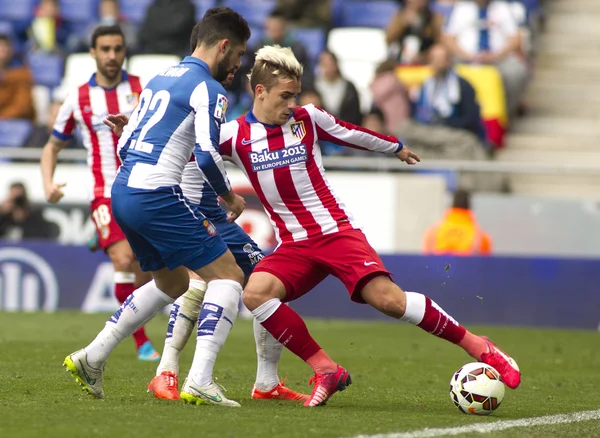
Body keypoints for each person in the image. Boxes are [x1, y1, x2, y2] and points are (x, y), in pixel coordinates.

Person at [223, 45, 521, 407]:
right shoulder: (234, 136)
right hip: (294, 245)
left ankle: (478, 345)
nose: (291, 104)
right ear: (260, 91)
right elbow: (192, 153)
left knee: (389, 302)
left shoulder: (308, 119)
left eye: (295, 95)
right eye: (285, 96)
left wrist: (394, 147)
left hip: (336, 233)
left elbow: (351, 132)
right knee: (256, 293)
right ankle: (324, 369)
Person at [62, 9, 252, 407]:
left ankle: (92, 356)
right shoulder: (209, 90)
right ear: (223, 46)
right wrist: (230, 197)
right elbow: (205, 154)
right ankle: (200, 379)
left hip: (124, 191)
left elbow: (125, 143)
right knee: (230, 276)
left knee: (173, 283)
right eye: (238, 55)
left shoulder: (160, 78)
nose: (239, 64)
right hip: (157, 195)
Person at [40, 25, 160, 361]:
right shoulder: (77, 97)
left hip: (141, 186)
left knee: (144, 267)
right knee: (123, 260)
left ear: (125, 51)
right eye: (105, 49)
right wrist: (48, 184)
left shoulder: (142, 90)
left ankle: (101, 234)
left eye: (117, 48)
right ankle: (141, 343)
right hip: (104, 190)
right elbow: (52, 146)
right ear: (92, 52)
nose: (111, 55)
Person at [423, 189, 492, 255]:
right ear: (469, 206)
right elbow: (484, 264)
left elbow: (426, 262)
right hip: (466, 266)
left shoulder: (433, 232)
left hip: (440, 266)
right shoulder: (480, 237)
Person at [0, 33, 35, 120]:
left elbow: (22, 106)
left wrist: (2, 117)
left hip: (12, 122)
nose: (3, 49)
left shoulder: (22, 74)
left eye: (6, 46)